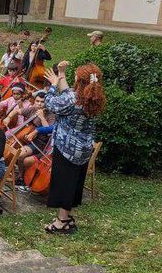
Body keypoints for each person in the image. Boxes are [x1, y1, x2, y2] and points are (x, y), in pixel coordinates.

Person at [42, 61, 106, 234]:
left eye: (77, 75)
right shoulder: (92, 98)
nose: (74, 76)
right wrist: (61, 73)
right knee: (74, 184)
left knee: (64, 184)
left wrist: (53, 86)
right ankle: (67, 217)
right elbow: (68, 94)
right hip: (84, 148)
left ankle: (61, 222)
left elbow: (50, 104)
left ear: (81, 80)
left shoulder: (72, 99)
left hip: (67, 148)